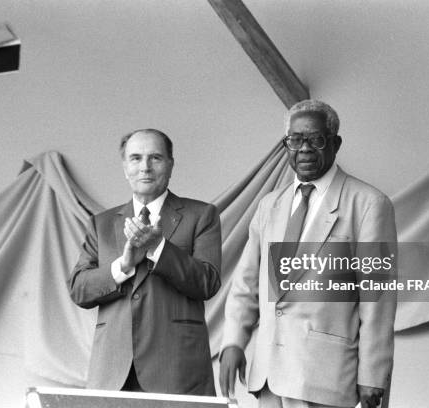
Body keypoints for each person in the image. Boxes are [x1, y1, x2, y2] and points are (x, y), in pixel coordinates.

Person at [219, 100, 397, 408]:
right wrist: (233, 342)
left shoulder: (368, 204)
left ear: (335, 143)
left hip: (325, 377)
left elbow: (377, 300)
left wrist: (373, 375)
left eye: (315, 140)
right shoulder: (269, 206)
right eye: (295, 140)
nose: (304, 149)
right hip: (269, 378)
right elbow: (246, 285)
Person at [68, 128, 221, 396]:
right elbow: (79, 289)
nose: (145, 167)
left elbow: (207, 283)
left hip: (177, 372)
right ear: (125, 167)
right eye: (136, 158)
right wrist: (123, 267)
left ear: (171, 165)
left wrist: (159, 249)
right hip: (113, 374)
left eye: (156, 158)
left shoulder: (202, 214)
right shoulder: (101, 223)